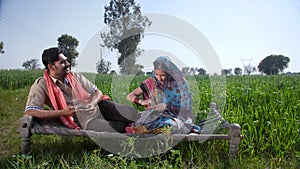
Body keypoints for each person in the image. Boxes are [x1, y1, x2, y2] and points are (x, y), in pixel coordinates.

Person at [24, 47, 140, 132]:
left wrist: (92, 103)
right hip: (85, 121)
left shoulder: (74, 75)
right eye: (63, 62)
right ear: (51, 67)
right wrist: (62, 113)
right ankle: (136, 127)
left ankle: (139, 122)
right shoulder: (41, 84)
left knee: (131, 113)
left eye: (66, 60)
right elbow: (30, 111)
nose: (68, 64)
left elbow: (97, 92)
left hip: (98, 107)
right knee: (119, 128)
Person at [126, 56, 200, 134]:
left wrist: (165, 106)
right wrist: (141, 101)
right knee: (147, 121)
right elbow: (130, 96)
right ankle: (142, 129)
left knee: (171, 125)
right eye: (157, 74)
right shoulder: (151, 82)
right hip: (155, 116)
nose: (159, 78)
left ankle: (144, 130)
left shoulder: (180, 84)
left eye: (163, 75)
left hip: (176, 117)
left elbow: (185, 108)